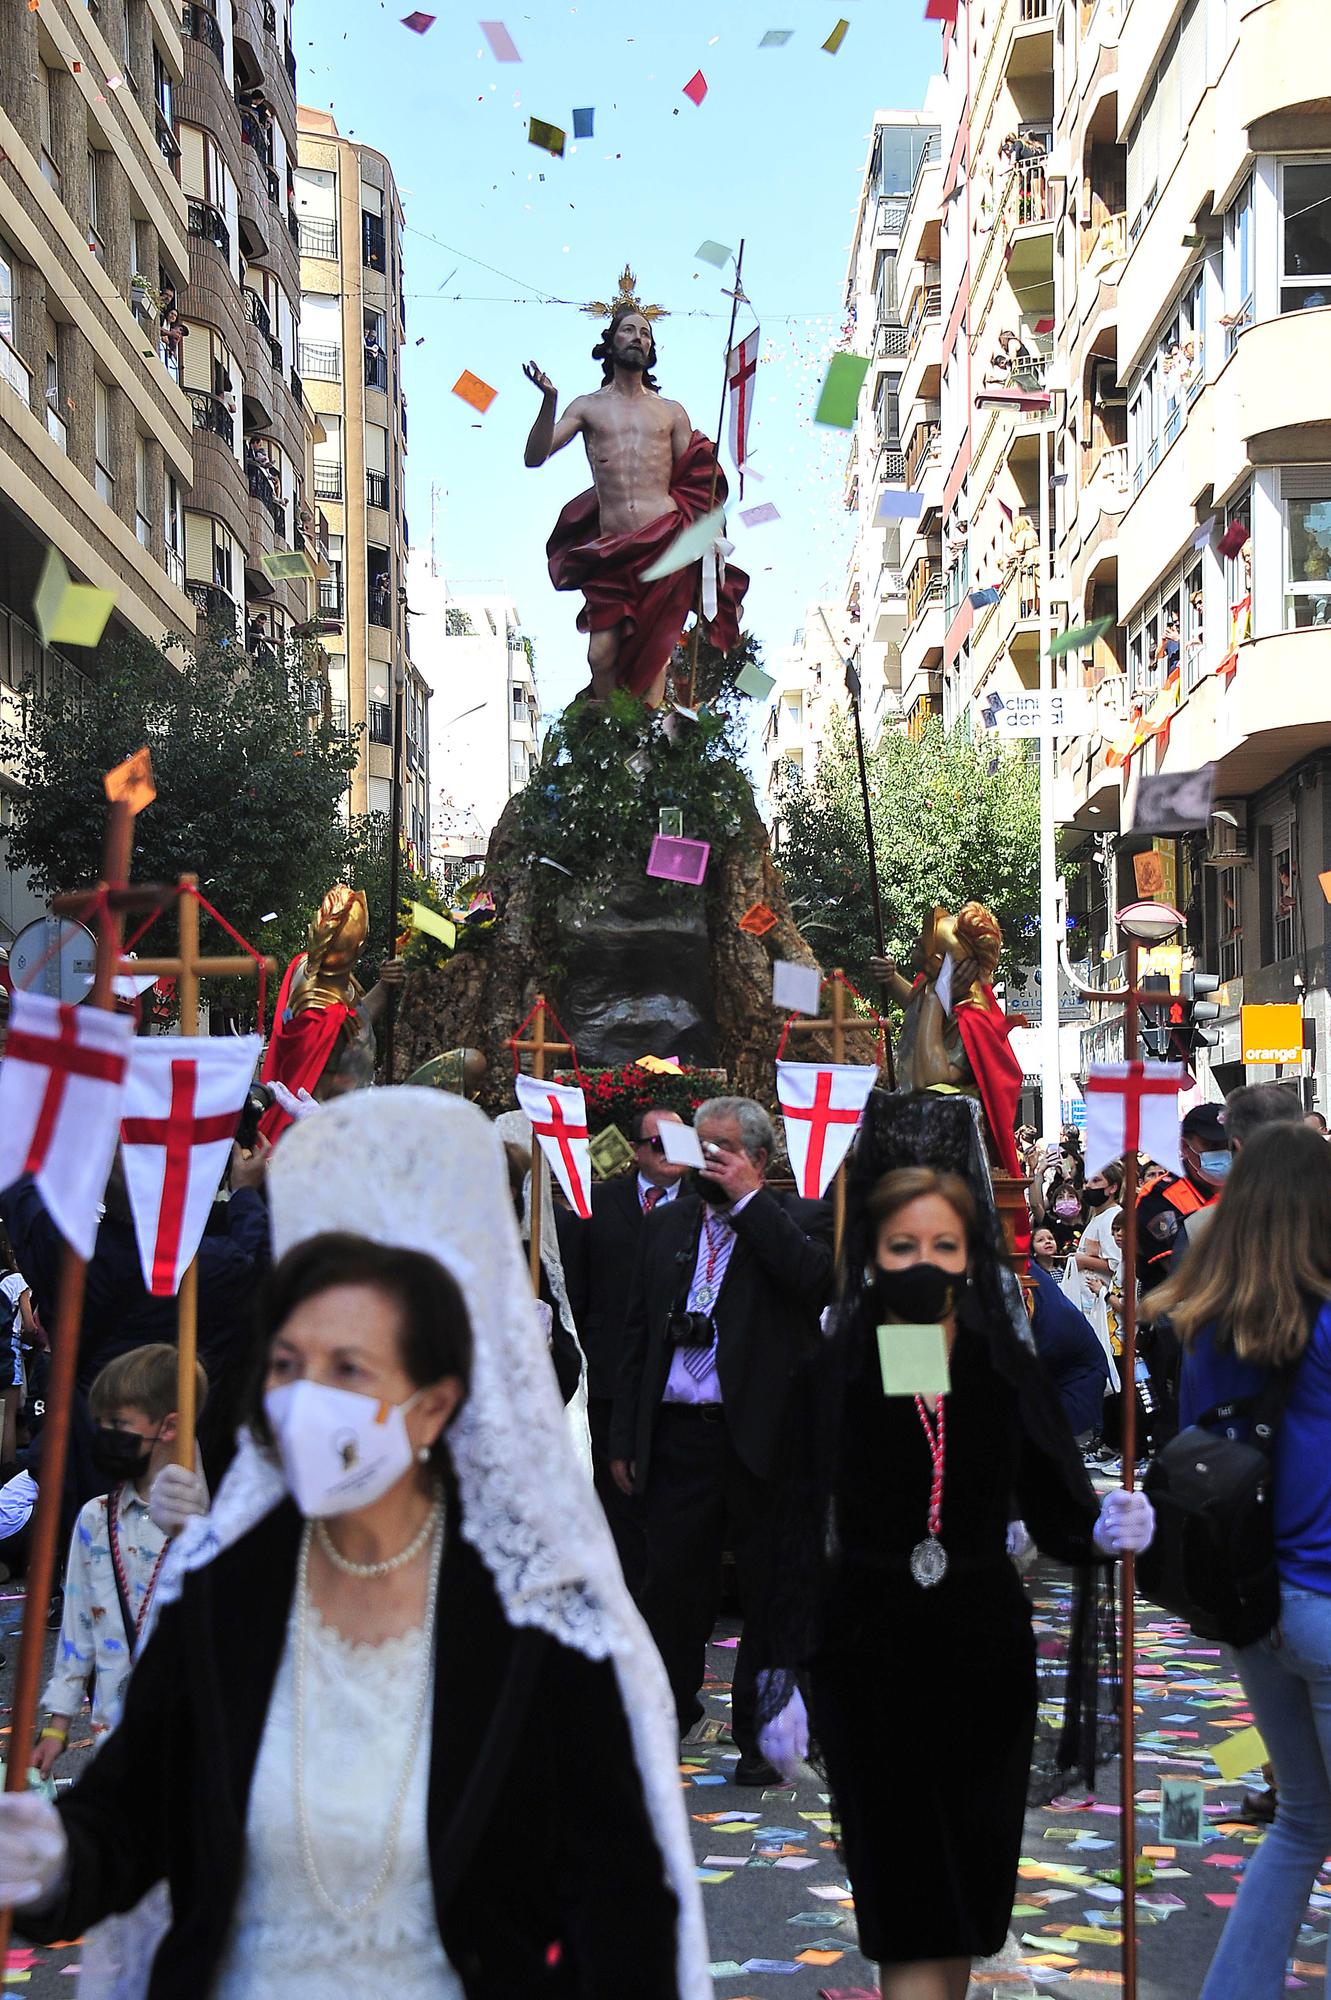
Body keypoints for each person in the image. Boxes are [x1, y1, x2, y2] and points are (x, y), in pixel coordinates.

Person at [0, 1089, 705, 1996]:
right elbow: (129, 1826)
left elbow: (624, 1917)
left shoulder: (537, 1619)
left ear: (435, 1404)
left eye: (349, 1370)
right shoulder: (226, 1593)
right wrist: (51, 1856)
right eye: (290, 1365)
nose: (307, 1400)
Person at [758, 1143, 1152, 2000]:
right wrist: (778, 1669)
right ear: (870, 1253)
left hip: (980, 1658)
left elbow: (1057, 1512)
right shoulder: (836, 1371)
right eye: (903, 1247)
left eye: (943, 1246)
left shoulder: (997, 1369)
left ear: (970, 1255)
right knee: (906, 1904)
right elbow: (789, 1528)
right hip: (869, 1658)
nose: (923, 1263)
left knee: (966, 1907)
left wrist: (1112, 1526)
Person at [1151, 1124, 1331, 2000]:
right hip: (1328, 1595)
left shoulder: (1205, 1321)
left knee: (1299, 1823)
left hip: (1253, 1601)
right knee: (1301, 1822)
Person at [609, 1096, 833, 1782]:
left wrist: (747, 1204)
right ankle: (665, 1716)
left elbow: (813, 1281)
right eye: (696, 1147)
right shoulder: (669, 1224)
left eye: (721, 1150)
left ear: (759, 1160)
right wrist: (625, 1436)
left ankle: (761, 1735)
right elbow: (638, 1334)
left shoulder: (797, 1219)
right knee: (671, 1589)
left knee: (768, 1591)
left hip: (762, 1438)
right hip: (680, 1436)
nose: (703, 1162)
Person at [526, 302, 748, 706]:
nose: (638, 338)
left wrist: (711, 534)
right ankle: (613, 739)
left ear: (652, 348)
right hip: (611, 553)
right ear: (610, 343)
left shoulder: (670, 412)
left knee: (655, 654)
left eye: (645, 333)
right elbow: (535, 455)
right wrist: (549, 401)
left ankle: (640, 751)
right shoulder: (586, 407)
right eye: (629, 331)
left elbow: (699, 480)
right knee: (601, 655)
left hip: (663, 544)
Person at [33, 1344, 205, 1780]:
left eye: (119, 1424)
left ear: (169, 1427)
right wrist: (56, 1728)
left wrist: (197, 1531)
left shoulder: (210, 1528)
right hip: (114, 1737)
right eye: (102, 1423)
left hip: (190, 1736)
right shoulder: (95, 1519)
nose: (104, 1434)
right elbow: (77, 1629)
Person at [559, 1105, 690, 1593]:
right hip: (611, 1376)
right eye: (659, 1143)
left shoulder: (706, 1205)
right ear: (634, 1151)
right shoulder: (596, 1203)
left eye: (681, 1141)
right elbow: (577, 1289)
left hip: (679, 1378)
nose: (670, 1153)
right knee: (615, 1504)